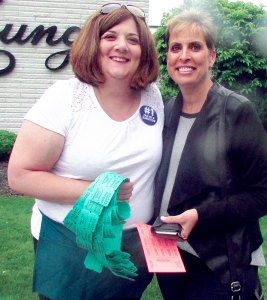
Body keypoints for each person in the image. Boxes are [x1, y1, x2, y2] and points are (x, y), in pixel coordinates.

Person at [8, 3, 164, 300]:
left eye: (133, 40)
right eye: (111, 37)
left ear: (143, 50)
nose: (122, 46)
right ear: (94, 42)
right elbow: (19, 176)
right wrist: (99, 192)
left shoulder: (152, 96)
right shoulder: (64, 98)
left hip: (133, 246)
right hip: (71, 246)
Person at [153, 8, 267, 300]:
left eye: (195, 47)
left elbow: (261, 193)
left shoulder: (236, 111)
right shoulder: (165, 111)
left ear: (212, 56)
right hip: (169, 254)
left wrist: (200, 217)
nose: (184, 56)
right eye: (176, 48)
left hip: (220, 260)